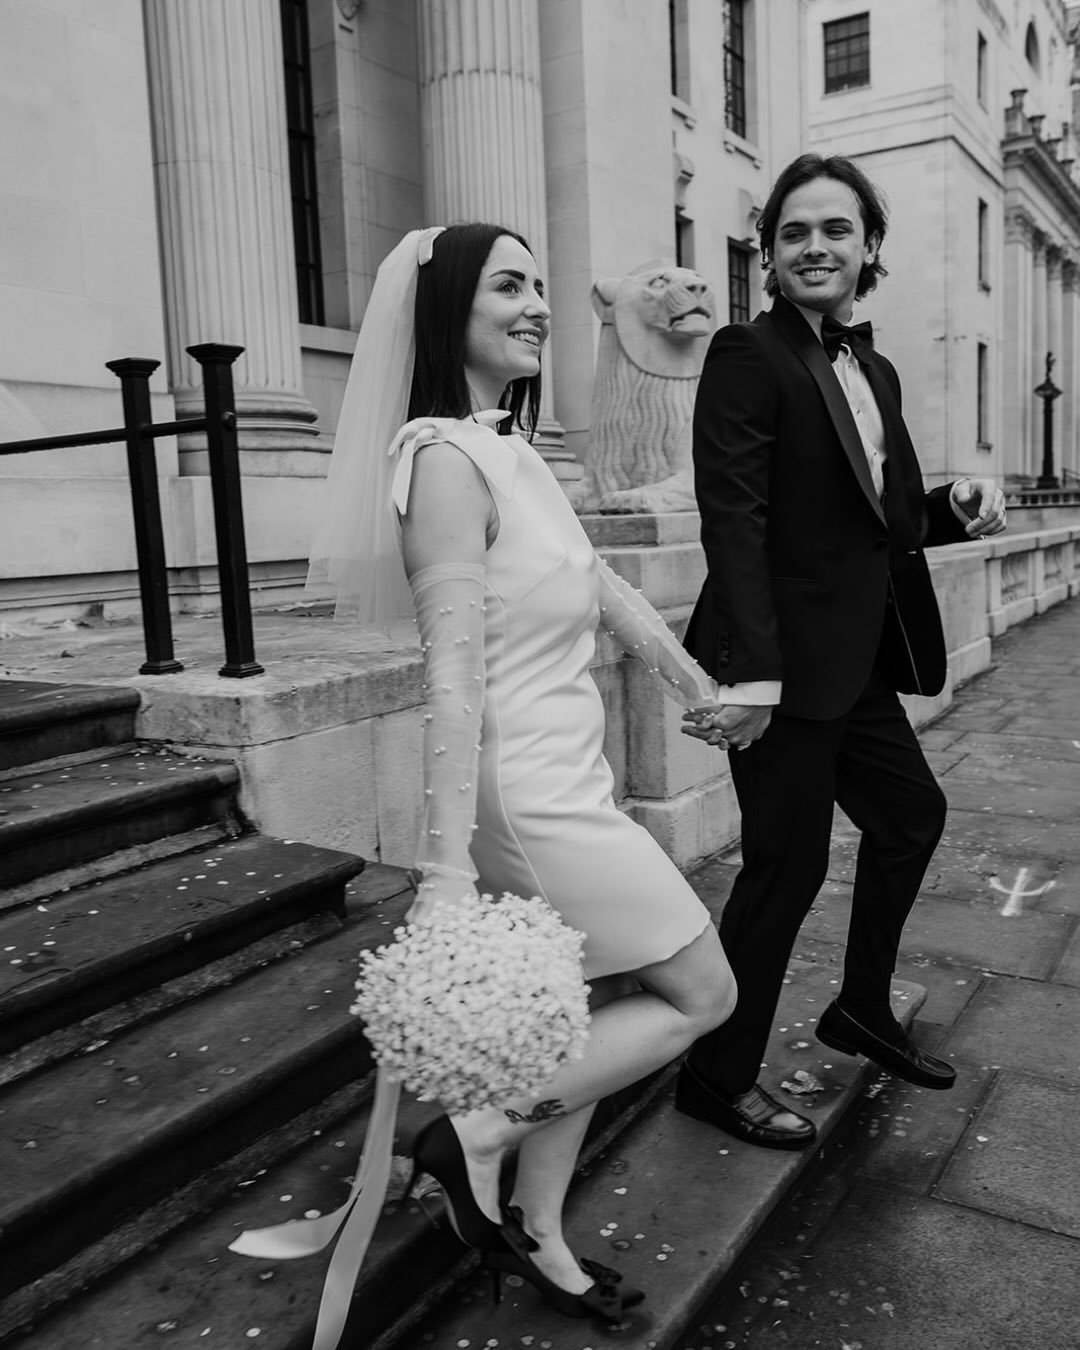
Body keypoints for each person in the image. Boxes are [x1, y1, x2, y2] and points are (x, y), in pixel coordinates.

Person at [307, 223, 737, 1321]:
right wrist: (443, 875)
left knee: (581, 1006)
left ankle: (539, 1236)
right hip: (527, 797)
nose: (538, 303)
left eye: (541, 284)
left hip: (567, 774)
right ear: (447, 310)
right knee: (701, 993)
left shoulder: (513, 448)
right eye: (509, 285)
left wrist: (694, 686)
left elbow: (597, 583)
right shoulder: (444, 461)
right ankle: (474, 1134)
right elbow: (447, 679)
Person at [677, 154, 1007, 1151]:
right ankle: (716, 1075)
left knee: (912, 816)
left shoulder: (877, 368)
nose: (814, 247)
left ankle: (862, 1006)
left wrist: (950, 506)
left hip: (859, 661)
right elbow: (733, 518)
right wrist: (753, 679)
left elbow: (880, 515)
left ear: (869, 248)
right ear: (771, 257)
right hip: (781, 670)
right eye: (793, 233)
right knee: (786, 868)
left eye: (835, 229)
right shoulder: (748, 354)